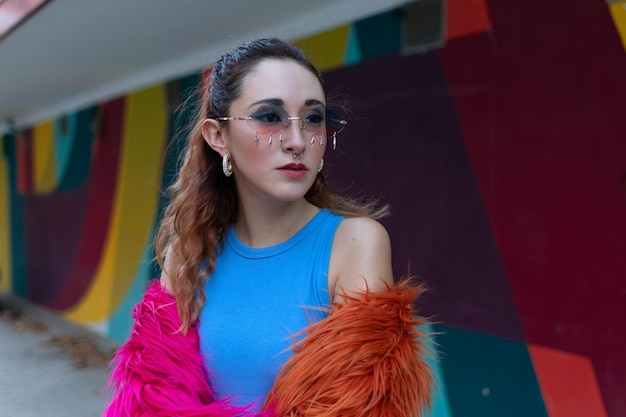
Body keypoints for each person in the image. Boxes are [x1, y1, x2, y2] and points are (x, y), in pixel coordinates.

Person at [104, 37, 433, 417]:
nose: (297, 141)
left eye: (313, 118)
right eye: (270, 116)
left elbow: (362, 405)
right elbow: (153, 398)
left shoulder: (354, 243)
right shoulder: (190, 250)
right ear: (218, 136)